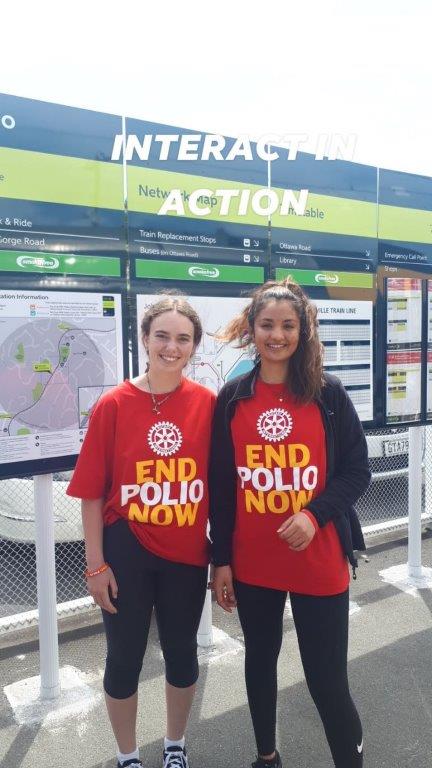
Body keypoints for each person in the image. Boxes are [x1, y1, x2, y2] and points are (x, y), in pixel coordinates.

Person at [209, 279, 371, 768]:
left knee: (327, 680)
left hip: (318, 561)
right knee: (260, 663)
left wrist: (313, 514)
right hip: (254, 563)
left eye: (287, 325)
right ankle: (267, 757)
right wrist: (221, 560)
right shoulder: (232, 397)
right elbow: (222, 487)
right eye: (267, 325)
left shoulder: (327, 393)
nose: (276, 335)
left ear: (303, 331)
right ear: (251, 329)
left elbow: (357, 471)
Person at [67, 296, 215, 768]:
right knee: (124, 658)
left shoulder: (208, 404)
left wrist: (226, 557)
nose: (172, 347)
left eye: (183, 338)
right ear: (145, 339)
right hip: (126, 549)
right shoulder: (113, 404)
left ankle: (175, 745)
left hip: (186, 552)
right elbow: (92, 492)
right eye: (162, 336)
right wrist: (95, 564)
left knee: (182, 654)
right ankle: (127, 755)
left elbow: (224, 487)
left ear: (194, 346)